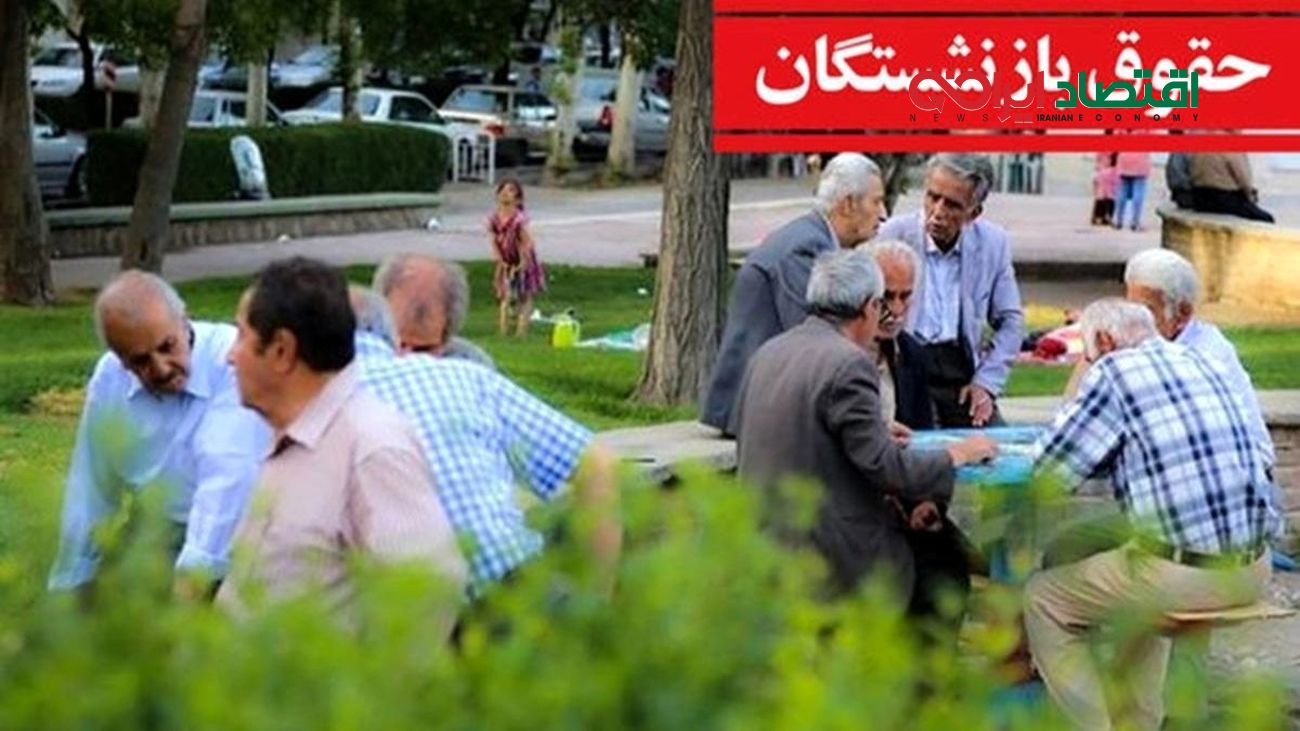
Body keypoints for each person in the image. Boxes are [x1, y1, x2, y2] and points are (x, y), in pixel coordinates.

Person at [1026, 298, 1279, 731]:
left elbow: (1048, 474)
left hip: (1186, 577)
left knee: (1042, 599)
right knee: (1127, 556)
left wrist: (1086, 376)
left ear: (1104, 341)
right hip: (1254, 568)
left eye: (1089, 354)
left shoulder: (1113, 371)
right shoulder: (1202, 360)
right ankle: (1138, 723)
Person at [734, 248, 998, 644]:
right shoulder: (848, 363)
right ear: (869, 307)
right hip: (830, 551)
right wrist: (956, 455)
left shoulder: (771, 352)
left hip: (767, 534)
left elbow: (796, 431)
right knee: (943, 570)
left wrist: (875, 429)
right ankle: (916, 680)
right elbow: (887, 468)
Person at [217, 258, 467, 633]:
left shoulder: (371, 447)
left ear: (282, 350)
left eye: (242, 336)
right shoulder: (294, 438)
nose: (230, 355)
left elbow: (429, 591)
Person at [348, 286, 621, 594]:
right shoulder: (465, 376)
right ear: (395, 341)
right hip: (516, 585)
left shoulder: (319, 400)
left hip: (408, 603)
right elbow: (599, 463)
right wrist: (596, 600)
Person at [49, 271, 269, 595]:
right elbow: (91, 486)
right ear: (120, 359)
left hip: (245, 532)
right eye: (140, 361)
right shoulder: (110, 377)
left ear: (184, 319)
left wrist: (191, 584)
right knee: (108, 609)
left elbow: (226, 479)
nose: (161, 368)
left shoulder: (232, 360)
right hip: (157, 528)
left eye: (167, 346)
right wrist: (71, 579)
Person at [702, 152, 886, 435]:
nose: (883, 214)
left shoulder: (812, 237)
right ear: (848, 204)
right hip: (757, 410)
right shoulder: (807, 248)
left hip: (763, 402)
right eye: (876, 202)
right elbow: (816, 338)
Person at [878, 153, 1025, 428]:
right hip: (904, 364)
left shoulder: (993, 243)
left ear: (974, 213)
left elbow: (1011, 321)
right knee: (924, 446)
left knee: (998, 447)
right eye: (933, 197)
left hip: (959, 371)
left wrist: (986, 383)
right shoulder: (891, 236)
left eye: (952, 205)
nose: (938, 211)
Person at [372, 252, 496, 369]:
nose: (407, 359)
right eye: (396, 344)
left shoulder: (474, 367)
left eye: (422, 350)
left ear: (446, 339)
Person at [488, 178, 546, 337]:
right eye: (503, 190)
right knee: (505, 295)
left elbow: (526, 242)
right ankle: (503, 330)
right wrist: (500, 260)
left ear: (518, 199)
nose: (505, 193)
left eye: (511, 190)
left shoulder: (519, 220)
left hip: (523, 259)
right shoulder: (494, 219)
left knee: (524, 295)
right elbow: (493, 240)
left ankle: (521, 331)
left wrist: (523, 262)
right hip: (506, 260)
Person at [1189, 152, 1275, 223]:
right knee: (1267, 218)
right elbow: (1243, 178)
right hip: (1223, 199)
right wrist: (1250, 196)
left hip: (1199, 197)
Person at [1114, 151, 1152, 231]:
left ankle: (1118, 220)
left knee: (1122, 190)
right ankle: (1135, 222)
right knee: (1138, 190)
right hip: (1141, 159)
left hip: (1124, 158)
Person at [1091, 153, 1118, 226]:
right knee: (1110, 198)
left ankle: (1098, 218)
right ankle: (1107, 217)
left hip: (1101, 172)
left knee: (1100, 197)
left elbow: (1097, 159)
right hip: (1111, 171)